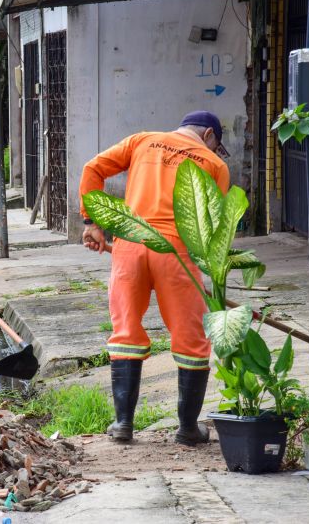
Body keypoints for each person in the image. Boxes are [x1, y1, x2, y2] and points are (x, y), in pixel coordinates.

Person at [79, 110, 230, 445]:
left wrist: (91, 223)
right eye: (217, 145)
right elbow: (212, 227)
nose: (216, 151)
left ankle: (122, 426)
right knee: (191, 338)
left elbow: (93, 168)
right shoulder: (214, 165)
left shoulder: (142, 140)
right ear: (208, 136)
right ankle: (188, 429)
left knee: (126, 331)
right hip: (175, 253)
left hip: (130, 245)